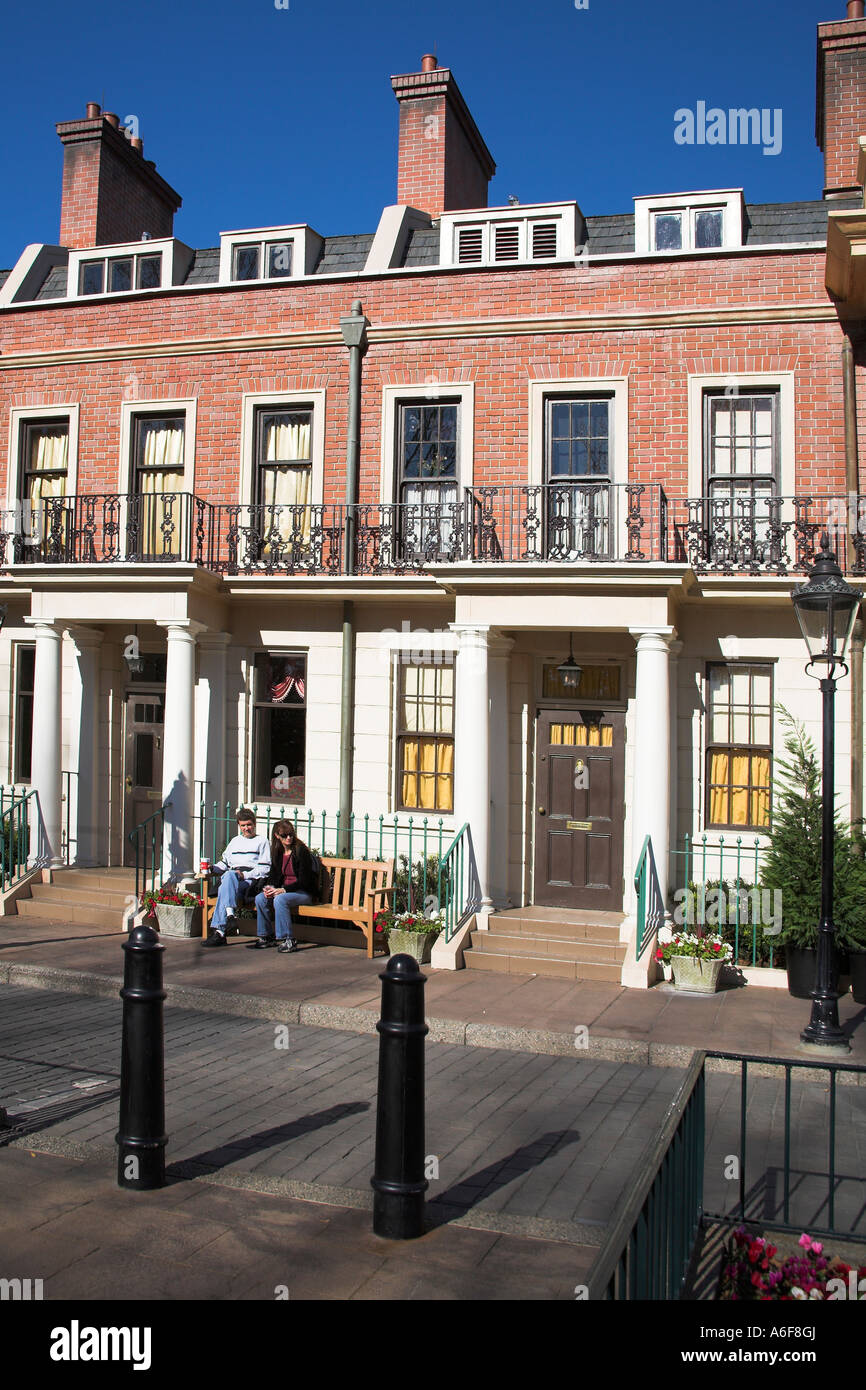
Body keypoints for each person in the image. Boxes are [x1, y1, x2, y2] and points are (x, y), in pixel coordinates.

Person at [202, 808, 271, 948]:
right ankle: (229, 917)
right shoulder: (234, 841)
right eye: (243, 825)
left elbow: (265, 869)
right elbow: (225, 863)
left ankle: (220, 932)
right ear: (239, 826)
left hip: (249, 881)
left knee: (225, 884)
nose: (246, 828)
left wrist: (244, 875)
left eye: (249, 825)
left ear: (254, 824)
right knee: (228, 876)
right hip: (232, 879)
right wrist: (212, 868)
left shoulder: (262, 841)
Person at [248, 820, 316, 954]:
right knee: (260, 898)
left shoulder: (301, 851)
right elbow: (274, 876)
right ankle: (266, 936)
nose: (289, 838)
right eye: (284, 835)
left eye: (291, 834)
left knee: (280, 900)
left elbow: (305, 881)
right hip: (284, 890)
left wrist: (284, 890)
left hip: (302, 892)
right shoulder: (278, 852)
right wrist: (269, 888)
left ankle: (288, 939)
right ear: (277, 836)